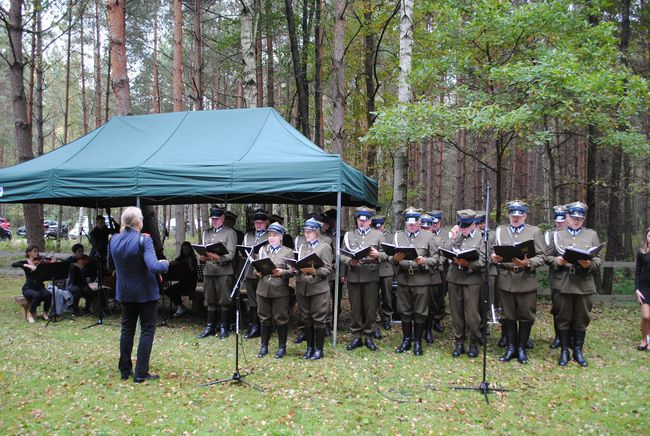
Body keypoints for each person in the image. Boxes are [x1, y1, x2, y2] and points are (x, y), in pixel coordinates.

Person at [108, 206, 169, 383]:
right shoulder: (144, 241)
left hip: (125, 291)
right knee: (147, 330)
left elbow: (110, 265)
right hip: (146, 292)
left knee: (127, 329)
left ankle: (125, 370)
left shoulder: (114, 240)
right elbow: (154, 266)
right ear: (138, 222)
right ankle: (141, 372)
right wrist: (165, 263)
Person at [545, 201, 601, 367]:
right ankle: (564, 351)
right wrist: (558, 260)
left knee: (581, 318)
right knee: (563, 318)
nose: (576, 221)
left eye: (579, 218)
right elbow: (547, 257)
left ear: (583, 219)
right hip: (563, 282)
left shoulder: (591, 235)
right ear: (567, 217)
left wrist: (589, 265)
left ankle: (578, 351)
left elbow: (597, 258)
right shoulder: (557, 235)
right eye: (573, 217)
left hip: (583, 283)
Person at [491, 201, 545, 364]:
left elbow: (541, 256)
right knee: (508, 315)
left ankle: (521, 348)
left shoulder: (534, 232)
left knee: (526, 315)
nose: (515, 218)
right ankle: (511, 348)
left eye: (519, 215)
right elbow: (493, 252)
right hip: (506, 278)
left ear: (525, 215)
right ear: (509, 215)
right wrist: (494, 258)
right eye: (513, 215)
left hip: (525, 279)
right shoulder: (500, 231)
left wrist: (528, 263)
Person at [392, 207, 440, 356]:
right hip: (404, 278)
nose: (411, 226)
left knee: (420, 311)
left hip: (421, 279)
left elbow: (436, 259)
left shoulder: (428, 237)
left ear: (419, 222)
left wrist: (424, 260)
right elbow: (390, 257)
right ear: (405, 223)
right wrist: (394, 259)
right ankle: (406, 340)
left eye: (414, 223)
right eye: (409, 223)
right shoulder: (399, 236)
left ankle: (418, 341)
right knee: (405, 311)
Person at [341, 206, 386, 351]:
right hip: (354, 274)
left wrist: (378, 255)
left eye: (365, 220)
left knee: (370, 308)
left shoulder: (378, 235)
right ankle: (356, 337)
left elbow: (388, 255)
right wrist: (349, 261)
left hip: (371, 274)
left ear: (370, 221)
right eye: (359, 220)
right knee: (355, 308)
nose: (361, 222)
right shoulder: (349, 235)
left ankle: (369, 336)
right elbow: (341, 254)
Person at [445, 209, 486, 358]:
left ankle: (473, 342)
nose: (463, 229)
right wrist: (454, 237)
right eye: (461, 226)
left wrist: (468, 263)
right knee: (456, 312)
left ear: (474, 225)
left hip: (471, 280)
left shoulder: (482, 238)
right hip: (454, 278)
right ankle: (459, 341)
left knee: (472, 314)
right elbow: (445, 252)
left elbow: (483, 260)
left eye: (466, 226)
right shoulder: (457, 237)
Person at [293, 217, 333, 360]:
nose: (306, 234)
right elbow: (299, 265)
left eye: (309, 232)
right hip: (303, 288)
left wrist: (314, 271)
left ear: (317, 232)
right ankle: (309, 348)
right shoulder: (303, 247)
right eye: (305, 232)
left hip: (318, 289)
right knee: (307, 318)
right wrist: (295, 268)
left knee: (319, 319)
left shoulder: (325, 247)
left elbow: (328, 269)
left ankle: (319, 349)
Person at [255, 222, 295, 358]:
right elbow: (257, 268)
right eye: (270, 235)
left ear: (281, 237)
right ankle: (263, 346)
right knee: (264, 318)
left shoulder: (288, 251)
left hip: (280, 291)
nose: (271, 238)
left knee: (280, 319)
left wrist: (282, 272)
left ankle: (282, 347)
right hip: (263, 289)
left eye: (275, 235)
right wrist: (258, 272)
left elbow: (293, 271)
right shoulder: (262, 250)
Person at [197, 206, 238, 339]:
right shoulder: (206, 233)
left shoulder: (229, 232)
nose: (214, 221)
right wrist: (202, 258)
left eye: (217, 219)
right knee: (210, 299)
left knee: (224, 300)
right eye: (212, 219)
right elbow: (202, 250)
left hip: (223, 271)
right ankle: (210, 327)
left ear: (222, 218)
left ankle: (223, 327)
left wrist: (218, 257)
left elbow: (231, 254)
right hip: (209, 271)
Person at [241, 209, 270, 339]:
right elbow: (241, 251)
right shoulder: (248, 236)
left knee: (263, 300)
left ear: (267, 223)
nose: (259, 225)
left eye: (262, 223)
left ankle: (266, 326)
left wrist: (260, 255)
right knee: (252, 301)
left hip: (264, 273)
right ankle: (254, 326)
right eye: (257, 222)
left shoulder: (271, 235)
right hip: (249, 272)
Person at [544, 205, 568, 349]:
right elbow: (547, 255)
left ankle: (570, 336)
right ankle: (559, 336)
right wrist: (557, 261)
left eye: (562, 220)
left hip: (575, 275)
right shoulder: (550, 234)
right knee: (558, 307)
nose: (559, 223)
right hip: (557, 274)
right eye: (557, 221)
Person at [420, 213, 445, 344]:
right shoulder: (416, 239)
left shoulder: (438, 240)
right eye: (423, 228)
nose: (425, 230)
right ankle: (418, 330)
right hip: (418, 275)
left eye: (427, 228)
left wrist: (432, 264)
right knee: (418, 305)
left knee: (431, 305)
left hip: (433, 275)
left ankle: (428, 330)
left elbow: (442, 257)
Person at [12, 245, 52, 323]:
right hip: (28, 288)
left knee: (48, 295)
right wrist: (27, 265)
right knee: (37, 295)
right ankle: (30, 314)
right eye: (35, 251)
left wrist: (52, 262)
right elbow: (14, 264)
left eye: (37, 251)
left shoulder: (41, 262)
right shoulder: (25, 262)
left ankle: (45, 313)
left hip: (40, 287)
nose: (37, 253)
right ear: (29, 253)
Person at [372, 215, 395, 331]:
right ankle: (376, 320)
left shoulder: (391, 236)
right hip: (373, 269)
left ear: (383, 225)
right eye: (375, 226)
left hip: (386, 269)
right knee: (373, 297)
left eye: (380, 226)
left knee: (387, 296)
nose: (378, 229)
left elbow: (393, 254)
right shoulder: (371, 236)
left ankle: (386, 318)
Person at [428, 210, 449, 335]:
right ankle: (429, 321)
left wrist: (439, 263)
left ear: (440, 222)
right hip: (428, 270)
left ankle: (438, 319)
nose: (434, 225)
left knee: (440, 296)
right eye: (432, 223)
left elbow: (447, 250)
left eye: (436, 223)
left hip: (441, 270)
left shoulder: (446, 235)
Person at [166, 241, 197, 317]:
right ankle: (181, 306)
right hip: (182, 282)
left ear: (190, 249)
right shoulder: (181, 258)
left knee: (172, 289)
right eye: (183, 249)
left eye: (187, 249)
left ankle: (181, 307)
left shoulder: (193, 258)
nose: (185, 251)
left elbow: (193, 271)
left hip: (190, 283)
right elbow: (175, 263)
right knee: (168, 290)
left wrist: (190, 264)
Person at [65, 246, 95, 316]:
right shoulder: (69, 260)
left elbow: (90, 270)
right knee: (77, 290)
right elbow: (64, 266)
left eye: (82, 251)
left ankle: (87, 309)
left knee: (89, 291)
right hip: (72, 284)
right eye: (79, 251)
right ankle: (75, 310)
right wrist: (71, 266)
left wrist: (85, 267)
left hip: (82, 283)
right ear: (74, 253)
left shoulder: (85, 260)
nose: (81, 253)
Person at [634, 227, 650, 351]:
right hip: (644, 288)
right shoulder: (641, 252)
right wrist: (636, 289)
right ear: (646, 237)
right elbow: (637, 272)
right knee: (646, 316)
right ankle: (644, 339)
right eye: (649, 235)